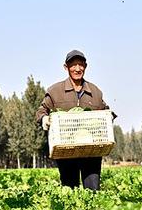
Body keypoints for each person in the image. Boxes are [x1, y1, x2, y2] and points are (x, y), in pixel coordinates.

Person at [35, 50, 111, 190]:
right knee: (69, 189)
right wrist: (44, 119)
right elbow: (41, 111)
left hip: (91, 150)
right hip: (66, 150)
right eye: (73, 65)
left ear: (85, 66)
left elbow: (105, 110)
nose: (77, 69)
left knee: (93, 190)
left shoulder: (95, 92)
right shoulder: (55, 91)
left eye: (80, 65)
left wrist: (109, 116)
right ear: (66, 67)